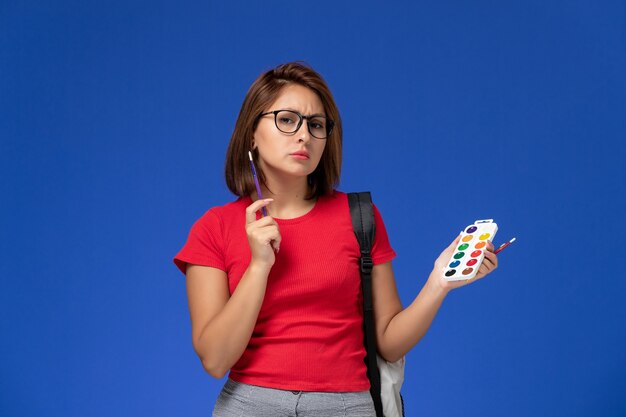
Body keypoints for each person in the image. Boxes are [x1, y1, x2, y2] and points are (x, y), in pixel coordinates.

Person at [173, 62, 498, 417]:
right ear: (251, 131)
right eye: (286, 119)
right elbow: (215, 360)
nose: (303, 136)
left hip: (345, 405)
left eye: (316, 125)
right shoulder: (214, 227)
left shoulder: (359, 217)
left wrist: (439, 282)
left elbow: (389, 344)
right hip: (250, 404)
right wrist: (259, 266)